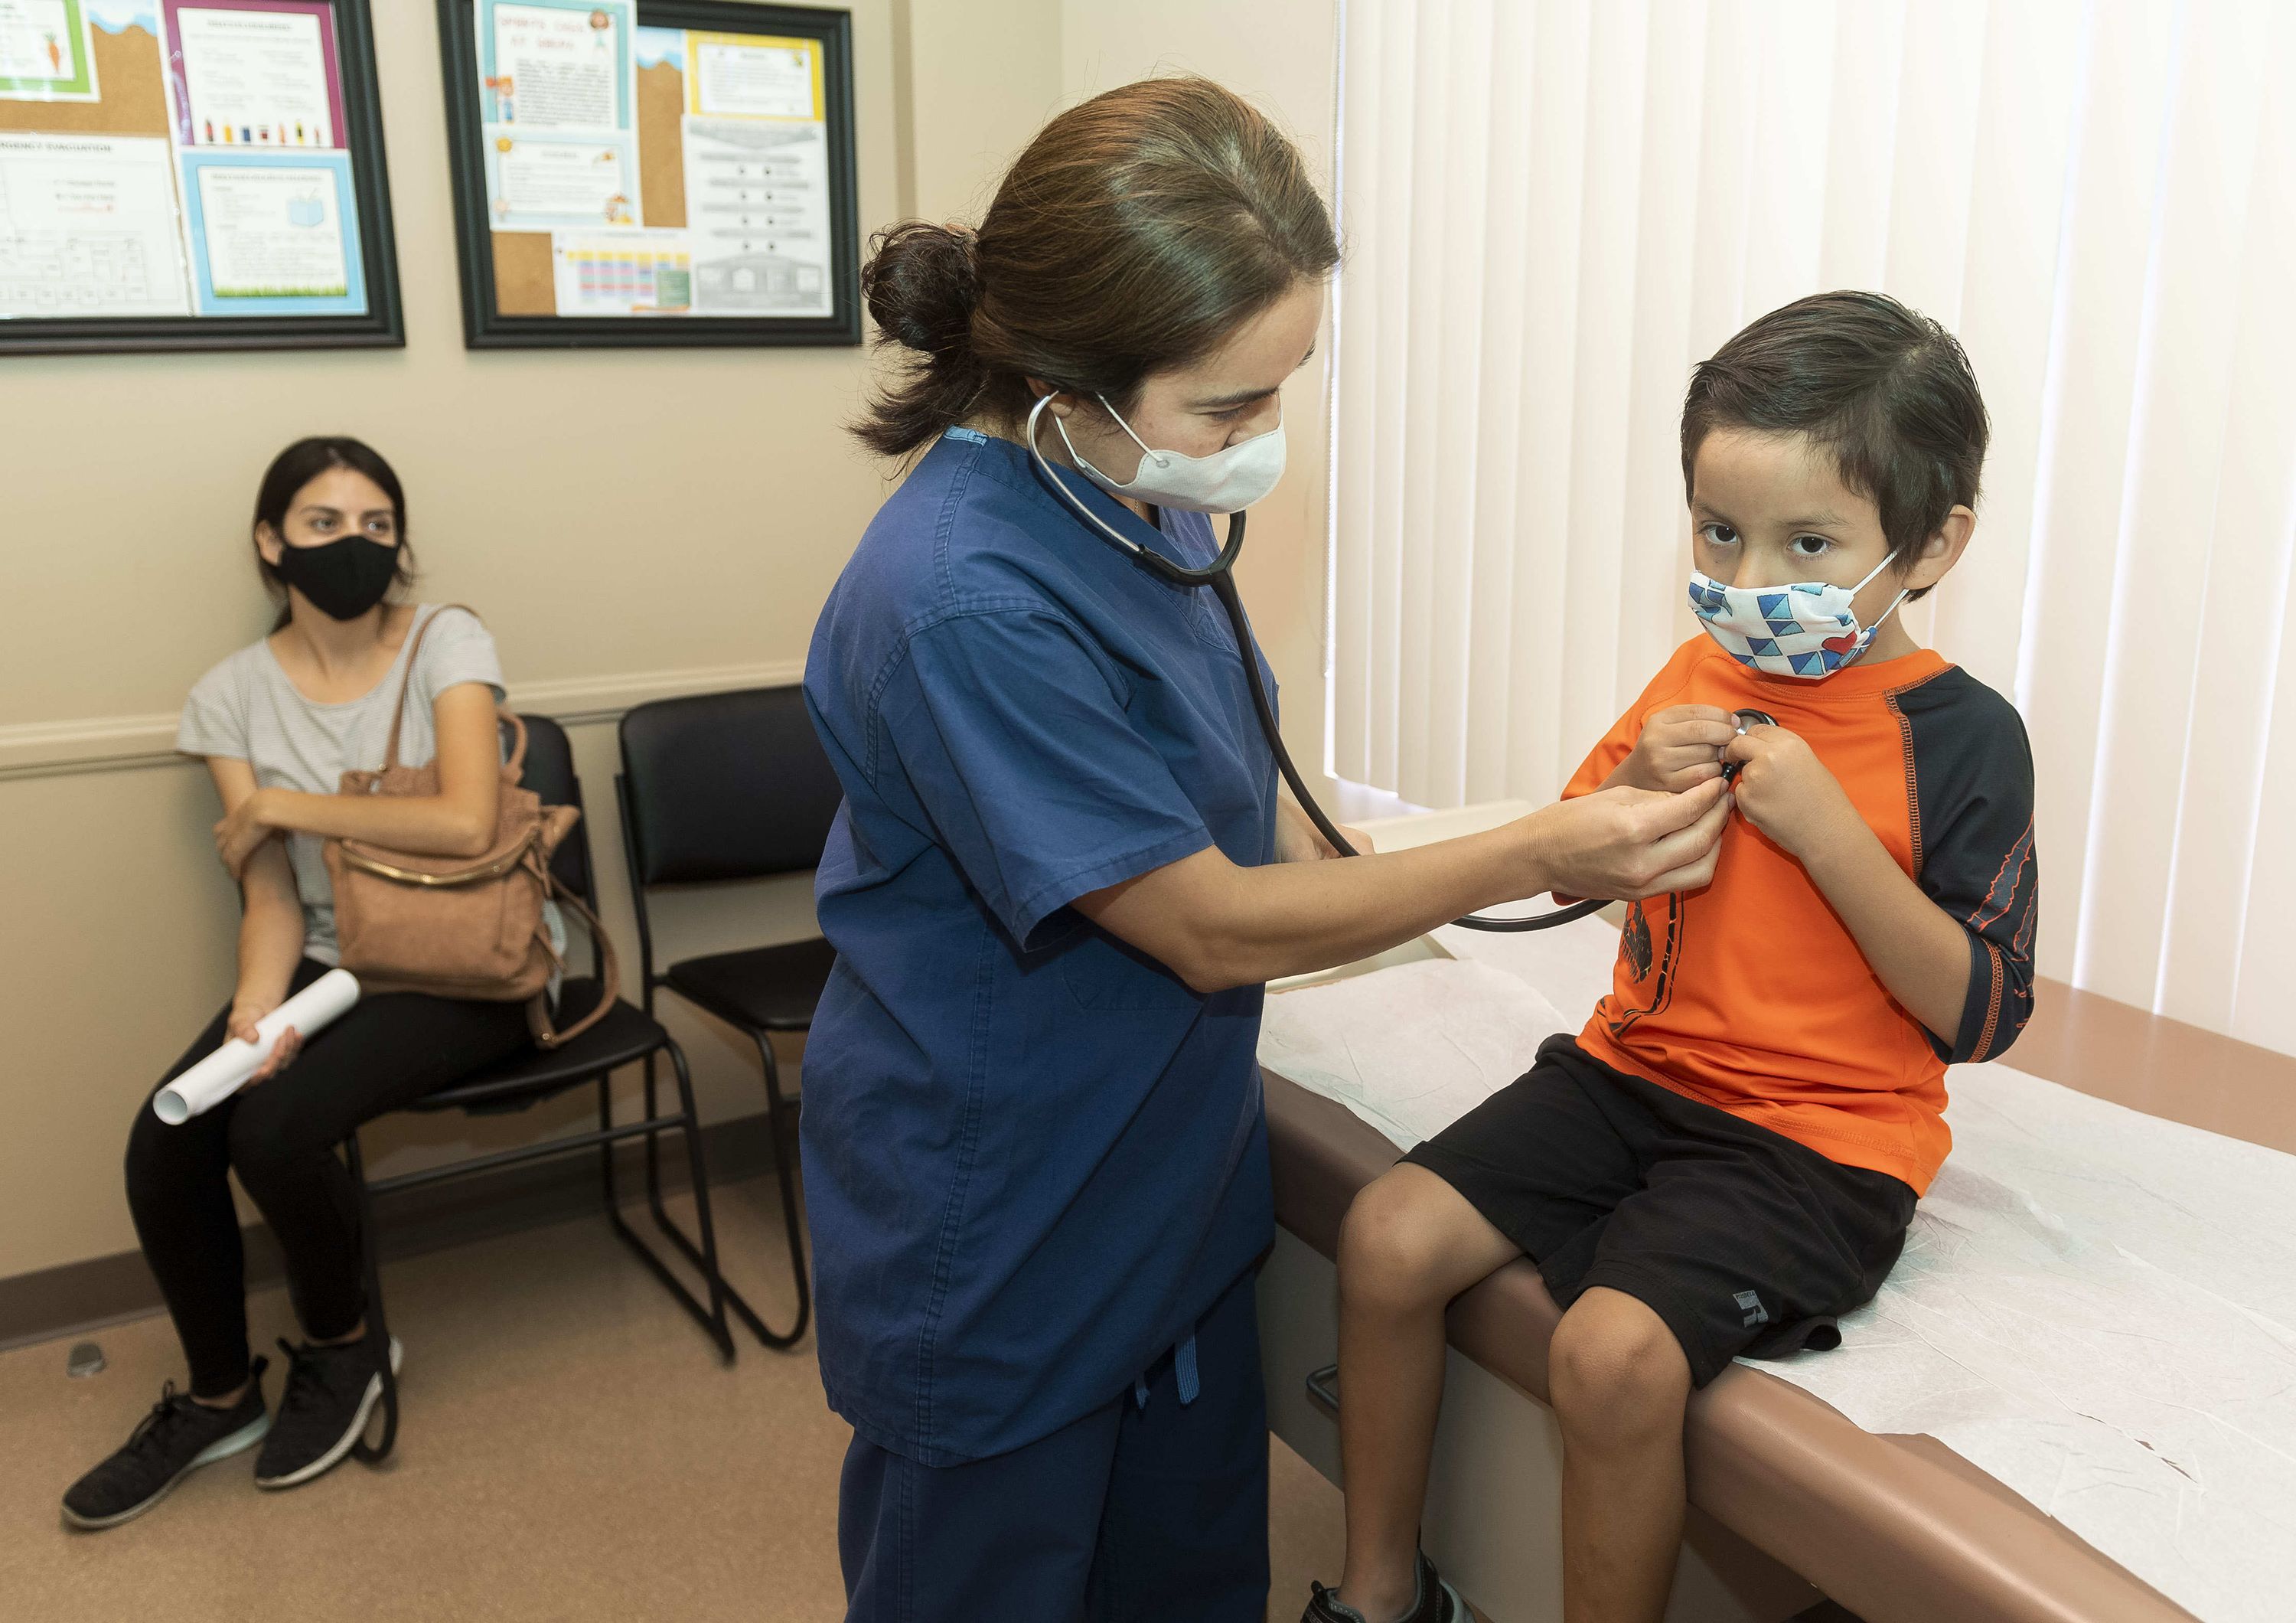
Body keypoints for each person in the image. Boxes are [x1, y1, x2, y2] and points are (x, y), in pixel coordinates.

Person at [801, 77, 1733, 1621]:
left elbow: (1274, 818)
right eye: (1230, 406)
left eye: (1285, 389)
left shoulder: (1129, 495)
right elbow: (1210, 923)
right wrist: (1530, 850)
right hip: (1003, 1226)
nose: (1261, 443)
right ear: (1063, 381)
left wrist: (1585, 833)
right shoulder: (960, 593)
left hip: (1159, 1205)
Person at [1308, 292, 2040, 1623]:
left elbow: (1983, 1013)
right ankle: (1379, 1596)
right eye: (1719, 533)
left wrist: (1832, 839)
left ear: (1933, 545)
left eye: (1808, 544)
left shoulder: (1966, 738)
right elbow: (1581, 872)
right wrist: (1638, 785)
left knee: (1611, 1356)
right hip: (1633, 1071)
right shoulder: (1694, 674)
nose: (1750, 585)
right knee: (1386, 1236)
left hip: (1819, 1141)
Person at [62, 437, 543, 1530]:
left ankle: (344, 1345)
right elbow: (273, 901)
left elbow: (468, 824)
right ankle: (219, 1395)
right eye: (325, 524)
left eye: (377, 524)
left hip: (473, 962)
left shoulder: (445, 640)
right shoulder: (229, 696)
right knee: (169, 1135)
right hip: (327, 965)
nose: (354, 545)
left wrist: (287, 803)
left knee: (272, 1133)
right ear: (271, 542)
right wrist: (252, 1018)